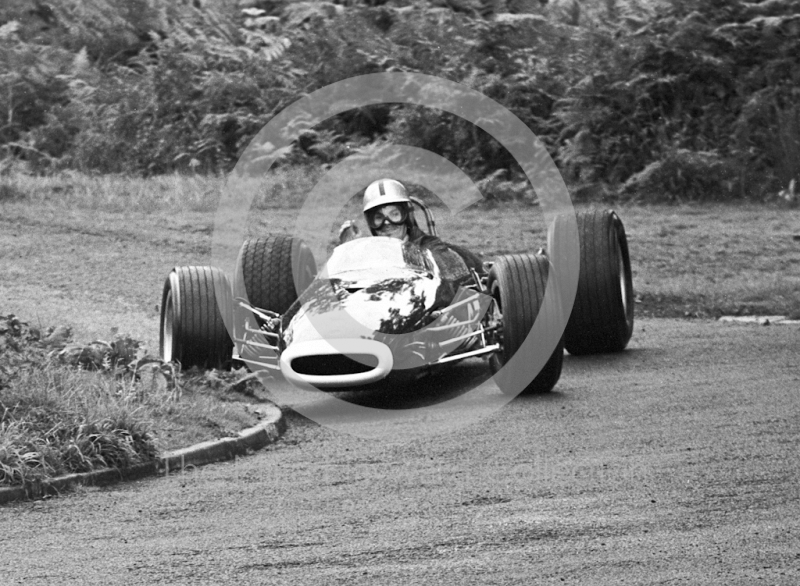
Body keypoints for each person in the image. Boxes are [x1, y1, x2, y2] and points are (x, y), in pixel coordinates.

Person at [339, 178, 484, 276]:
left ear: (406, 216)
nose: (387, 223)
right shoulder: (367, 252)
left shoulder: (430, 246)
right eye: (378, 218)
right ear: (371, 223)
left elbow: (452, 272)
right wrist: (349, 250)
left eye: (394, 214)